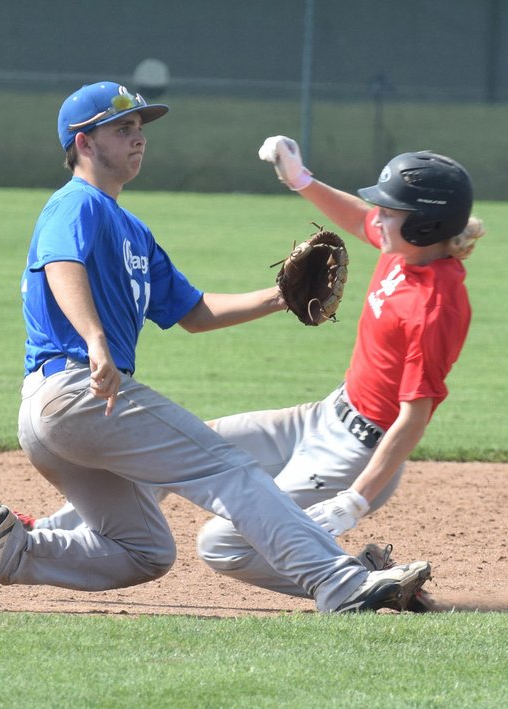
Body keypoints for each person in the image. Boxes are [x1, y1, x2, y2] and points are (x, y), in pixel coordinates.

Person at [0, 83, 432, 613]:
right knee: (231, 471)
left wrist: (281, 298)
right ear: (83, 143)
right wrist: (97, 341)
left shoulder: (131, 230)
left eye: (141, 128)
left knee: (145, 550)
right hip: (77, 387)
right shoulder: (76, 204)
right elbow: (61, 265)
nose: (138, 138)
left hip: (63, 411)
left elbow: (193, 313)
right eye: (122, 128)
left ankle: (11, 551)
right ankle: (340, 582)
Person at [190, 137, 484, 598]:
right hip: (322, 415)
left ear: (427, 224)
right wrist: (300, 180)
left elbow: (414, 417)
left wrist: (356, 499)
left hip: (353, 457)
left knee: (221, 544)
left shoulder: (434, 306)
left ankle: (359, 583)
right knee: (185, 444)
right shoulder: (403, 250)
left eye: (391, 210)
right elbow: (356, 217)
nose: (379, 217)